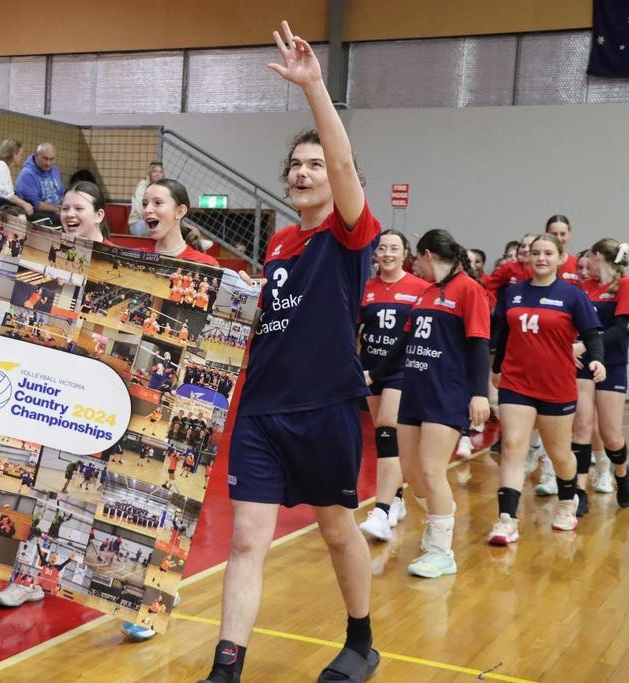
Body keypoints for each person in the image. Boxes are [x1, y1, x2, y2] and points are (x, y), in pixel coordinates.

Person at [200, 22, 380, 683]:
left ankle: (361, 640)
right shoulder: (276, 245)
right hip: (261, 412)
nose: (306, 172)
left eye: (314, 165)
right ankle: (227, 666)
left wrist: (313, 88)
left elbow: (342, 164)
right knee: (247, 537)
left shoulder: (351, 234)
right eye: (295, 166)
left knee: (336, 530)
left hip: (326, 407)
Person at [373, 229, 490, 579]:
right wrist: (372, 374)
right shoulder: (425, 294)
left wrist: (479, 392)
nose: (415, 266)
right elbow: (403, 343)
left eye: (415, 260)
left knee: (431, 469)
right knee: (411, 473)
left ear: (425, 254)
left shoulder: (470, 290)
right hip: (415, 389)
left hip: (447, 393)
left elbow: (480, 344)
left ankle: (442, 550)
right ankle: (443, 515)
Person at [487, 234, 604, 544]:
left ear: (560, 257)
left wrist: (598, 361)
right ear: (527, 257)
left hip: (556, 385)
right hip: (516, 382)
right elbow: (502, 334)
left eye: (548, 253)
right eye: (535, 252)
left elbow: (592, 334)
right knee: (513, 446)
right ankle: (506, 519)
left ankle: (567, 502)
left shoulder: (572, 295)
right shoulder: (512, 293)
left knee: (559, 452)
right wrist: (496, 368)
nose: (540, 258)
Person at [357, 230, 427, 542]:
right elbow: (355, 330)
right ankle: (396, 499)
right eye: (382, 248)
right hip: (371, 369)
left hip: (402, 370)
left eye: (394, 248)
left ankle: (381, 511)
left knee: (388, 428)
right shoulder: (366, 289)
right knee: (386, 440)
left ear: (405, 253)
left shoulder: (419, 288)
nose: (387, 253)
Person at [571, 238, 629, 510]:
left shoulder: (625, 285)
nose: (585, 267)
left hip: (613, 363)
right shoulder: (585, 288)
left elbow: (621, 329)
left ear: (597, 256)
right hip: (582, 364)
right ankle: (579, 490)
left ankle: (622, 474)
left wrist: (587, 345)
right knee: (581, 426)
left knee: (611, 435)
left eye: (589, 260)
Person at [141, 178, 219, 267]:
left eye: (158, 202)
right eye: (145, 204)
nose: (147, 210)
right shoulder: (134, 257)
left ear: (180, 211)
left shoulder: (207, 264)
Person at [15, 143, 64, 225]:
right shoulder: (27, 174)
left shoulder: (55, 169)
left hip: (57, 211)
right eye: (45, 158)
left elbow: (61, 193)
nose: (48, 163)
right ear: (36, 156)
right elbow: (35, 205)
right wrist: (57, 210)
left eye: (52, 159)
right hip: (38, 214)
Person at [127, 161, 164, 236]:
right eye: (154, 172)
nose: (158, 174)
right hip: (138, 223)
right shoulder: (143, 186)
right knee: (162, 226)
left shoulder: (162, 188)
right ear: (149, 174)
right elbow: (141, 209)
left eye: (160, 172)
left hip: (154, 221)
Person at [544, 214, 579, 282]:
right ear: (546, 235)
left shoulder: (577, 265)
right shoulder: (538, 263)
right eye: (554, 234)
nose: (558, 238)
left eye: (563, 234)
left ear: (569, 235)